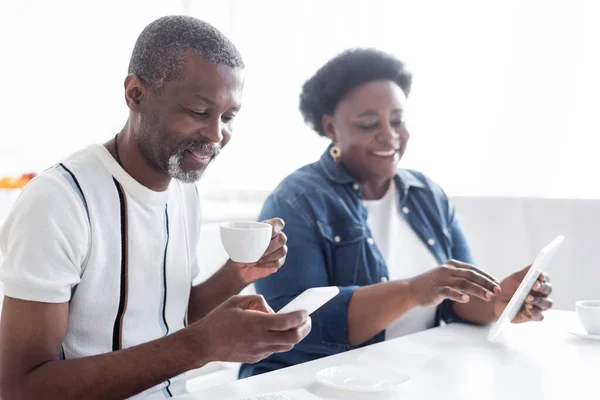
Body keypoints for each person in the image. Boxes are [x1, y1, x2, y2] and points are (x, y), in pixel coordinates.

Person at [0, 16, 311, 399]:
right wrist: (199, 346)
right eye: (199, 112)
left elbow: (168, 316)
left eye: (228, 118)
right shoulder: (59, 201)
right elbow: (21, 387)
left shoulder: (184, 190)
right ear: (135, 94)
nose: (217, 136)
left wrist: (239, 273)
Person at [239, 48, 553, 378]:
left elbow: (456, 298)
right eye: (368, 123)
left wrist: (499, 303)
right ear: (331, 127)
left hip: (400, 379)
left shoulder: (427, 195)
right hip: (304, 383)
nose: (389, 135)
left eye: (398, 121)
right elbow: (298, 324)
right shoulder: (295, 202)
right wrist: (414, 290)